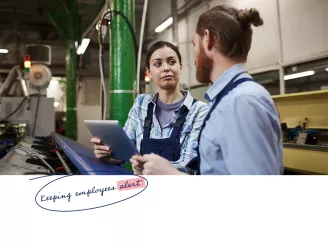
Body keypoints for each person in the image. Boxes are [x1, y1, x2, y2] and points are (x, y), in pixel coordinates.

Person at [131, 5, 284, 175]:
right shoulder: (226, 101)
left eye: (194, 44)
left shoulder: (242, 101)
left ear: (207, 39)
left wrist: (171, 175)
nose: (194, 57)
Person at [91, 41, 209, 172]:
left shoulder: (199, 111)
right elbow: (124, 152)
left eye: (171, 62)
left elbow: (188, 164)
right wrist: (108, 154)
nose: (166, 68)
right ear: (149, 73)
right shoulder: (141, 103)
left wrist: (146, 166)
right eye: (158, 64)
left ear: (180, 67)